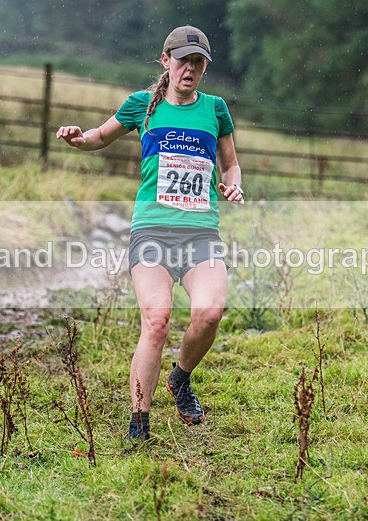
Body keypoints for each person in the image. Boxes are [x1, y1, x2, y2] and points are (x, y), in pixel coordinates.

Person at [56, 25, 244, 441]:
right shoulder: (141, 105)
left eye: (198, 63)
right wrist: (78, 139)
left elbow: (230, 163)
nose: (190, 69)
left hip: (200, 234)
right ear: (166, 62)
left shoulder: (215, 109)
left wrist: (234, 183)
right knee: (156, 322)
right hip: (152, 232)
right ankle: (139, 422)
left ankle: (180, 379)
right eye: (183, 61)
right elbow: (100, 137)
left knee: (209, 314)